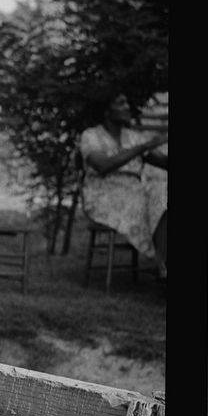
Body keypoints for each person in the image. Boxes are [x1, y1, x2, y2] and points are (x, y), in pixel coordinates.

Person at [79, 92, 169, 279]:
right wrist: (143, 147)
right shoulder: (91, 136)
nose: (127, 107)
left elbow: (163, 162)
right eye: (121, 103)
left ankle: (162, 264)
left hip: (135, 192)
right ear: (107, 111)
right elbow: (103, 166)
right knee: (151, 203)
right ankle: (161, 265)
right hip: (103, 195)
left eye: (127, 102)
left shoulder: (133, 137)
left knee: (162, 194)